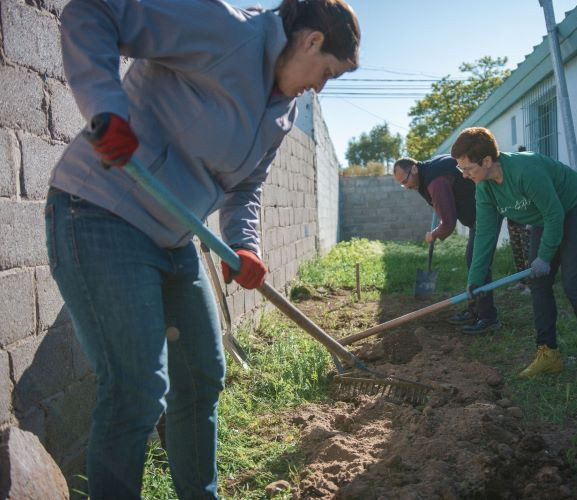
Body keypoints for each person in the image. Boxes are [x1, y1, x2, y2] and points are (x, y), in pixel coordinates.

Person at [45, 0, 360, 498]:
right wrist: (105, 107)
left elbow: (248, 185)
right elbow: (94, 11)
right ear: (311, 41)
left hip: (173, 238)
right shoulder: (224, 29)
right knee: (138, 392)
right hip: (100, 214)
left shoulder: (284, 109)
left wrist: (245, 243)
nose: (320, 87)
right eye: (327, 73)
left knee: (202, 377)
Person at [450, 127, 577, 378]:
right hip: (545, 218)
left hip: (576, 207)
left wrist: (544, 256)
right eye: (461, 169)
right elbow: (485, 235)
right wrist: (476, 278)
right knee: (538, 284)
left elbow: (555, 213)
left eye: (467, 168)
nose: (465, 175)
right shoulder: (485, 188)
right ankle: (548, 354)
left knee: (573, 282)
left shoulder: (525, 171)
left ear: (487, 161)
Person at [393, 155, 502, 334]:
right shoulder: (428, 171)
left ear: (414, 169)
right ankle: (475, 310)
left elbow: (449, 224)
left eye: (406, 180)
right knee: (473, 260)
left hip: (488, 212)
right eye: (402, 184)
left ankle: (488, 317)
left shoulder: (436, 181)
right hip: (479, 214)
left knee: (477, 261)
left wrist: (434, 234)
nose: (407, 186)